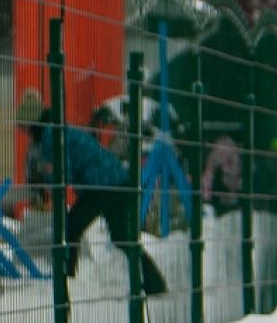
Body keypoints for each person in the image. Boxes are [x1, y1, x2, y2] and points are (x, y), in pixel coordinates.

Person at [17, 91, 167, 297]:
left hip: (102, 185)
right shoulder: (56, 131)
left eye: (23, 127)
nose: (23, 131)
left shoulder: (50, 137)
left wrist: (47, 183)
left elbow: (62, 171)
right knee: (123, 238)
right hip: (117, 181)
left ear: (31, 123)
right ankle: (155, 283)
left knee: (71, 227)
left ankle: (66, 281)